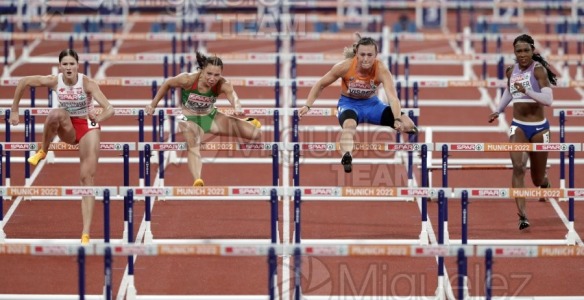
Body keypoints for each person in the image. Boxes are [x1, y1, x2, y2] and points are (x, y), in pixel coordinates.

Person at [9, 49, 115, 244]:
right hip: (68, 126)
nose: (68, 68)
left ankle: (85, 233)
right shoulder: (54, 80)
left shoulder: (87, 83)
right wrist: (14, 110)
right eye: (65, 64)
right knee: (55, 114)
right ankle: (43, 150)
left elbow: (110, 109)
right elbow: (23, 81)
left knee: (86, 178)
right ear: (60, 66)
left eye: (71, 64)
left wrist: (97, 118)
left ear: (77, 65)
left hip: (87, 126)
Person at [298, 34, 417, 173]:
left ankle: (415, 145)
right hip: (349, 104)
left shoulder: (382, 70)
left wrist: (397, 119)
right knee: (349, 126)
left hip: (373, 106)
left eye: (369, 55)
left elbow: (393, 98)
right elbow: (320, 84)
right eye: (362, 55)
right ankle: (347, 156)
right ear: (357, 54)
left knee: (408, 124)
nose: (366, 59)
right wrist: (308, 105)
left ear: (376, 55)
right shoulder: (344, 67)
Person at [145, 52, 261, 187]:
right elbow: (168, 83)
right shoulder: (188, 80)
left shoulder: (223, 84)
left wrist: (237, 106)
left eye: (217, 75)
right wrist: (152, 105)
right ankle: (197, 179)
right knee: (193, 142)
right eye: (209, 74)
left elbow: (232, 95)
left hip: (211, 117)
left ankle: (247, 121)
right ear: (202, 71)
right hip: (190, 119)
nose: (212, 78)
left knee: (256, 134)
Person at [488, 34, 557, 230]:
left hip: (539, 129)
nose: (523, 54)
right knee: (518, 167)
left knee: (536, 179)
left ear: (533, 50)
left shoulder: (539, 71)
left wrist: (527, 91)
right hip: (518, 125)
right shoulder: (511, 71)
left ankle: (545, 182)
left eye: (526, 50)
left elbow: (548, 101)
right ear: (514, 53)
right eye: (519, 51)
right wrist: (499, 110)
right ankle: (523, 216)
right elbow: (509, 91)